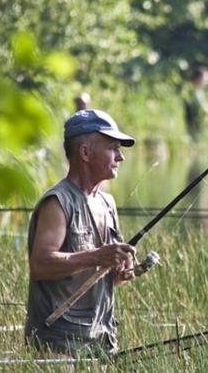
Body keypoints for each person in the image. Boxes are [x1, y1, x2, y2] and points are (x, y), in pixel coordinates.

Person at [25, 109, 137, 356]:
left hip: (103, 340)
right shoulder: (58, 202)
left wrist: (119, 271)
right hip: (60, 345)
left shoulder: (107, 203)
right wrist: (98, 256)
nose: (120, 157)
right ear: (85, 152)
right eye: (113, 148)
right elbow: (40, 265)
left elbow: (101, 276)